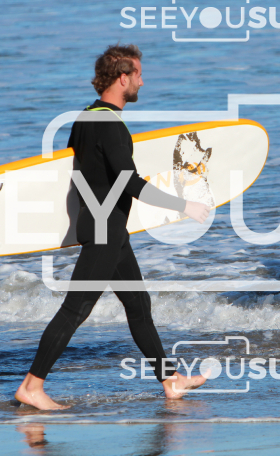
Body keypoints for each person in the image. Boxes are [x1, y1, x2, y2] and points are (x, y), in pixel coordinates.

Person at [15, 44, 211, 409]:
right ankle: (32, 385)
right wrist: (184, 205)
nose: (141, 81)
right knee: (76, 308)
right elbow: (129, 182)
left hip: (107, 228)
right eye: (138, 75)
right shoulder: (109, 124)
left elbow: (76, 175)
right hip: (105, 229)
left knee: (138, 304)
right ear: (123, 78)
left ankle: (171, 380)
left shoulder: (84, 119)